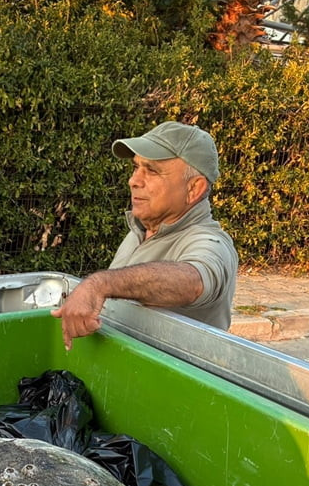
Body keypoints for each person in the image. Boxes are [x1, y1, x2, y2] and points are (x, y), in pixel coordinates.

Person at [52, 121, 238, 350]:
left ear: (194, 188)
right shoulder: (141, 230)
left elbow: (194, 282)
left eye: (152, 171)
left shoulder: (211, 242)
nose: (134, 181)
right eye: (136, 167)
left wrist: (99, 284)